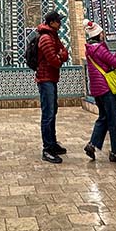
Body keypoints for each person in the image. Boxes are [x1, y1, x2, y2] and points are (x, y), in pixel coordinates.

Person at [83, 18, 116, 163]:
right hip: (105, 88)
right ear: (99, 34)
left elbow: (105, 61)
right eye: (102, 32)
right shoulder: (100, 48)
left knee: (104, 117)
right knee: (114, 120)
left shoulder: (90, 48)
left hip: (96, 89)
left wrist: (115, 54)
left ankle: (92, 144)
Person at [35, 9, 69, 163]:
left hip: (52, 78)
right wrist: (60, 56)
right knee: (48, 113)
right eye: (58, 20)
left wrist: (60, 55)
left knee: (52, 111)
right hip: (45, 79)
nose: (60, 23)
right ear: (52, 22)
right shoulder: (46, 38)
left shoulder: (53, 36)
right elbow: (55, 61)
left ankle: (53, 143)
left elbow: (64, 53)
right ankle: (47, 149)